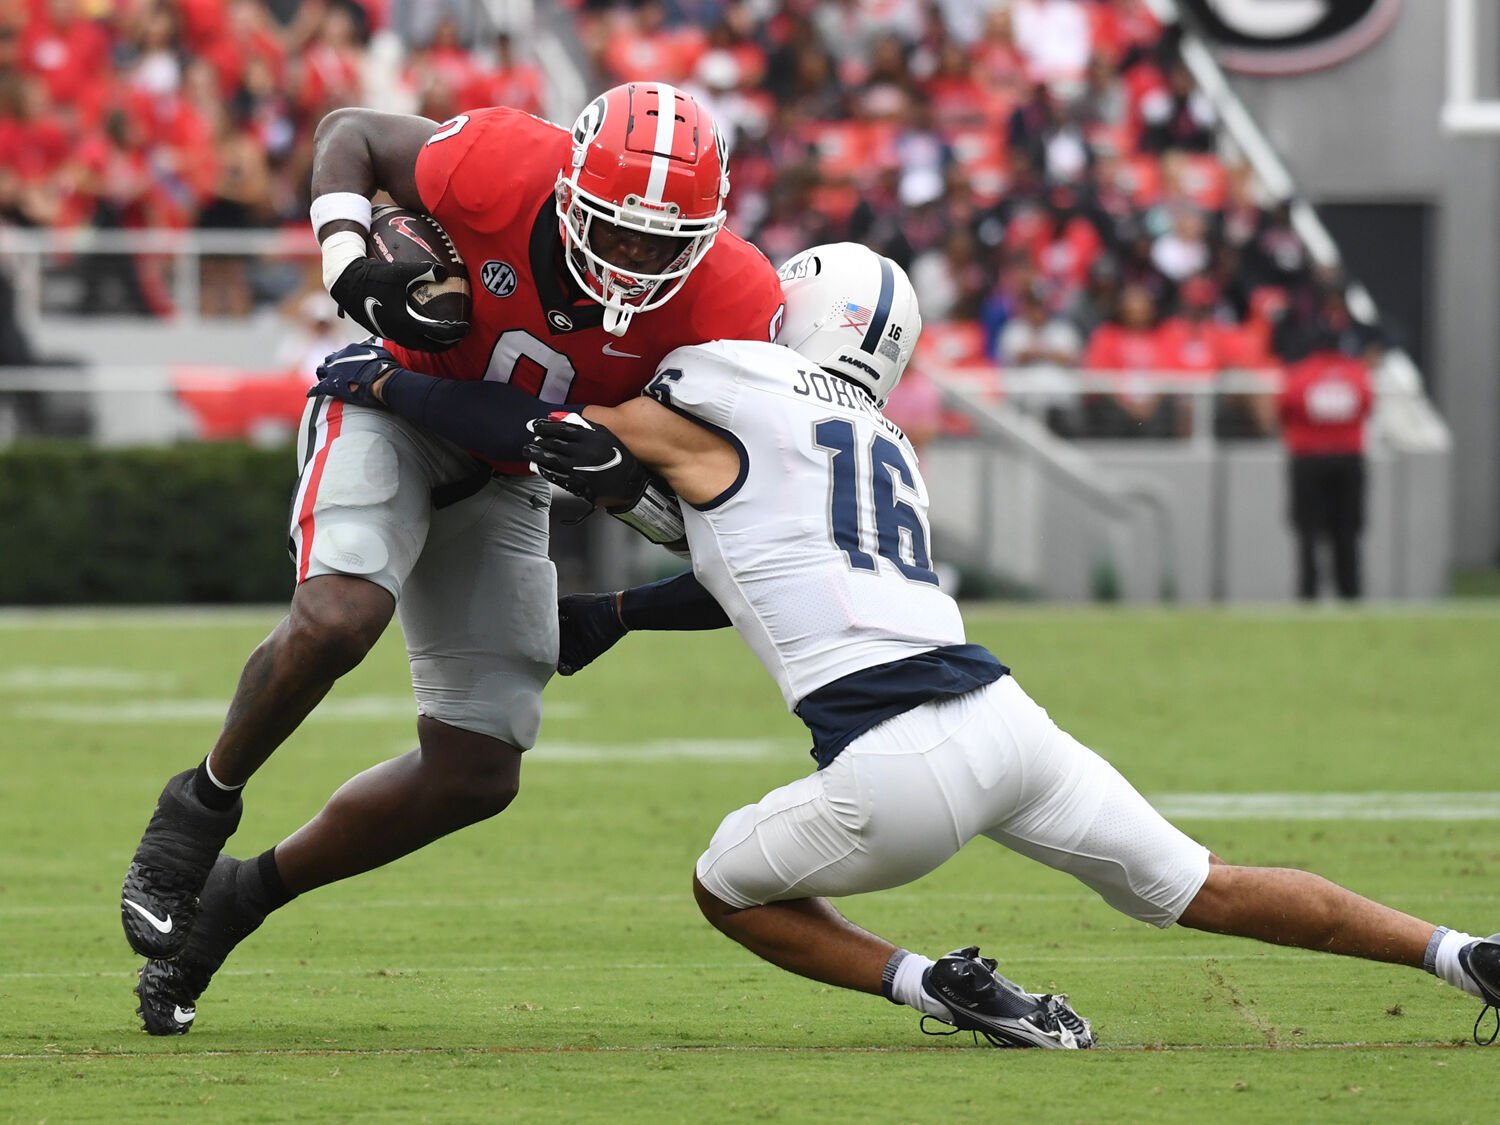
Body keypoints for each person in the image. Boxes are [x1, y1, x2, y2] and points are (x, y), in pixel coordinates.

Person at [309, 241, 1500, 1048]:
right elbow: (761, 571)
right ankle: (1459, 953)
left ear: (794, 314)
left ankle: (939, 985)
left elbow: (549, 427)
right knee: (1200, 884)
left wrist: (393, 382)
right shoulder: (887, 448)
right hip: (1011, 726)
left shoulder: (734, 386)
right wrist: (616, 618)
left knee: (727, 887)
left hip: (892, 760)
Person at [119, 82, 785, 1036]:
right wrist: (347, 262)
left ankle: (238, 898)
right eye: (617, 230)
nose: (635, 262)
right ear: (568, 191)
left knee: (477, 771)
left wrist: (626, 492)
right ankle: (199, 805)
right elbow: (349, 133)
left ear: (709, 233)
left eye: (664, 245)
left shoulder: (734, 301)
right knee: (340, 615)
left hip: (509, 472)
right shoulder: (503, 163)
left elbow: (715, 511)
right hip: (392, 404)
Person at [1277, 348, 1374, 600]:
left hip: (1309, 458)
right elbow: (1367, 405)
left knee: (1308, 532)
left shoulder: (1300, 375)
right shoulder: (1356, 373)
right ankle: (1349, 591)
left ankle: (1308, 592)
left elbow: (1285, 409)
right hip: (1348, 458)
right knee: (1347, 531)